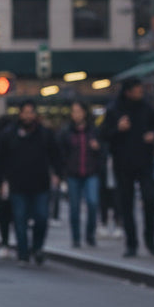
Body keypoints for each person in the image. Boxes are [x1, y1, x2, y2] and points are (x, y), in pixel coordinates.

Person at [0, 100, 62, 265]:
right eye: (25, 112)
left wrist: (58, 174)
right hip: (17, 184)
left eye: (31, 112)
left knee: (41, 218)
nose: (28, 116)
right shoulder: (9, 134)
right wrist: (0, 181)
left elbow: (56, 155)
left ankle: (37, 248)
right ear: (20, 114)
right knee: (20, 219)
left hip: (40, 183)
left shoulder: (45, 134)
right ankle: (23, 253)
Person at [102, 76, 154, 258]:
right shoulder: (114, 110)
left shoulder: (147, 108)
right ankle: (131, 242)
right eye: (137, 88)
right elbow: (104, 135)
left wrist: (153, 135)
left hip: (144, 161)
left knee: (149, 199)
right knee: (126, 203)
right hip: (123, 162)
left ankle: (150, 239)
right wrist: (118, 129)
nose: (140, 91)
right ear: (128, 91)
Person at [56, 101, 103, 247]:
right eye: (73, 111)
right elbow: (60, 152)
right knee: (74, 207)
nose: (76, 114)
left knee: (93, 203)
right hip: (73, 174)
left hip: (91, 172)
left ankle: (90, 234)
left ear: (84, 113)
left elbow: (104, 149)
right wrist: (62, 171)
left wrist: (98, 148)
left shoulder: (93, 131)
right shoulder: (66, 132)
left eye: (78, 111)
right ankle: (76, 237)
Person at [0, 113, 15, 257]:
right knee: (13, 215)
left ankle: (5, 242)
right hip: (10, 181)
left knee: (4, 216)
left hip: (5, 182)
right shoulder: (9, 139)